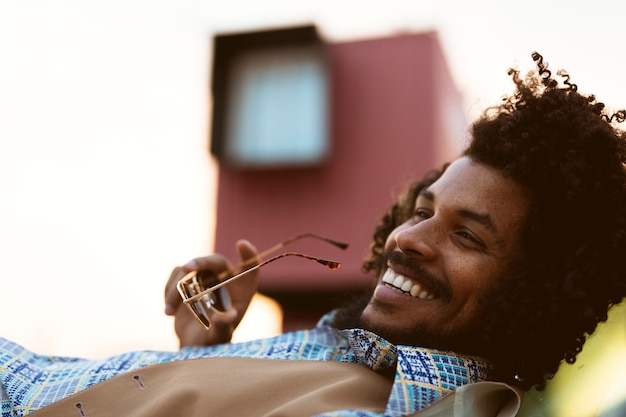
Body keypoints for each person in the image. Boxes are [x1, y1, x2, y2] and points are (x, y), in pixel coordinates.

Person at [2, 52, 626, 417]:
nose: (407, 240)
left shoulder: (415, 404)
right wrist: (200, 355)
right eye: (423, 210)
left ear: (537, 291)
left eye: (467, 237)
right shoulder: (356, 359)